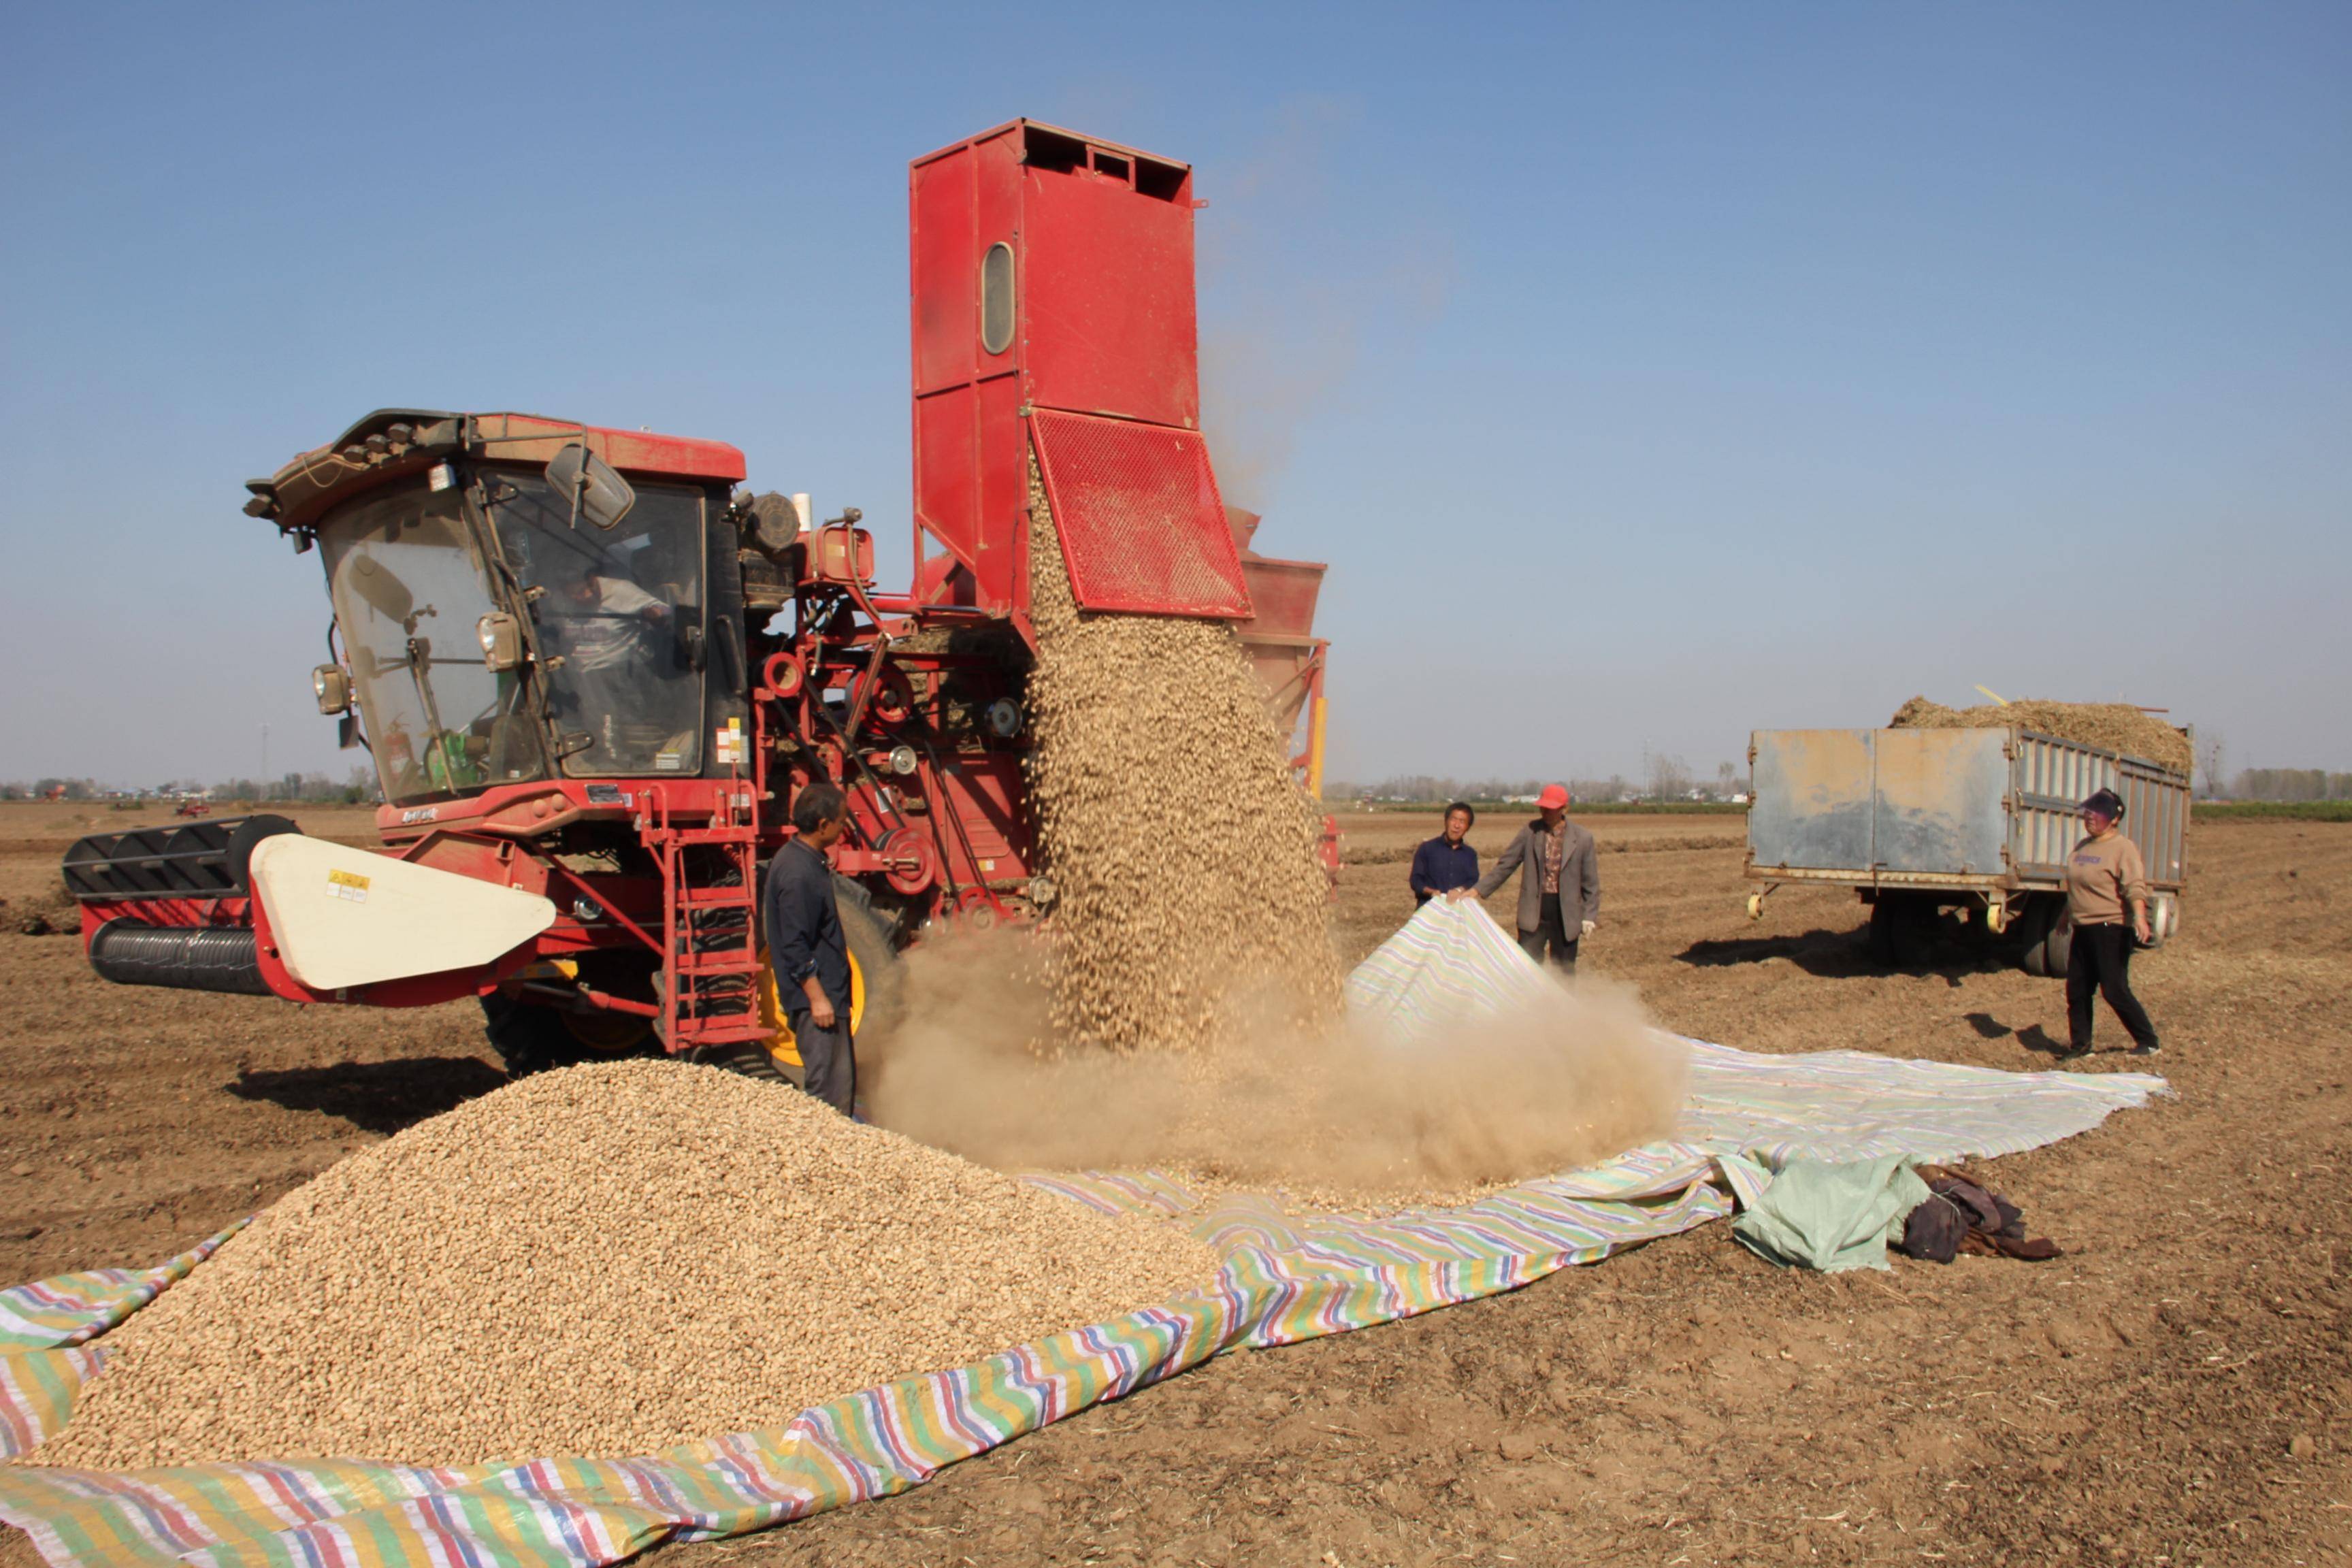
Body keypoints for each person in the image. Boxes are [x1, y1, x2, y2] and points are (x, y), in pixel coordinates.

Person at [763, 781, 858, 1114]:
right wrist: (817, 998)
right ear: (823, 826)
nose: (844, 827)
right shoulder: (797, 873)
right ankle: (824, 1159)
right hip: (817, 1003)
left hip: (827, 996)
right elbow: (794, 944)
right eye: (842, 821)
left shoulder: (804, 861)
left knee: (839, 1083)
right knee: (827, 1090)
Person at [1452, 784, 1599, 973]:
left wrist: (1589, 917)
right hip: (1534, 912)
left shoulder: (1583, 838)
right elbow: (1506, 865)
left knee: (1564, 973)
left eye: (1551, 808)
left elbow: (1591, 883)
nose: (1545, 812)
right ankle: (1529, 1004)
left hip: (1566, 915)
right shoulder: (1529, 833)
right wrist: (1477, 890)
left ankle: (1563, 1004)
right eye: (1543, 807)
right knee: (1527, 971)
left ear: (1564, 809)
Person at [2061, 787, 2161, 1059]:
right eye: (2089, 812)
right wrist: (2065, 916)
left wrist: (2140, 918)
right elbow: (2076, 886)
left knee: (2114, 989)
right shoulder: (2082, 847)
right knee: (2077, 990)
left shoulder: (2122, 848)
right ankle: (2080, 1046)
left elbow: (2134, 887)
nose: (2091, 816)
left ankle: (2148, 1041)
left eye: (2099, 812)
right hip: (2083, 928)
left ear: (2114, 819)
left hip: (2111, 928)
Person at [1409, 802, 1480, 906]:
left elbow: (1473, 880)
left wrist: (1460, 890)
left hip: (1457, 911)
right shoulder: (1427, 849)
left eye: (1462, 821)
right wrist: (1431, 892)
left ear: (1468, 827)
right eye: (1454, 819)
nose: (1457, 825)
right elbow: (1416, 880)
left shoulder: (1470, 854)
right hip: (1429, 908)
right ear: (1446, 821)